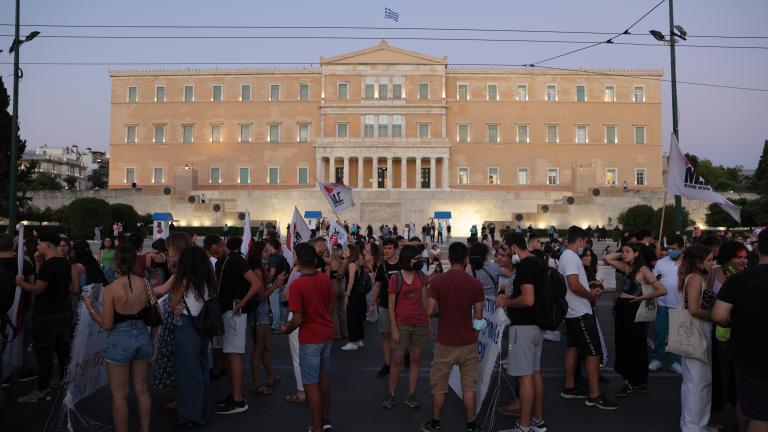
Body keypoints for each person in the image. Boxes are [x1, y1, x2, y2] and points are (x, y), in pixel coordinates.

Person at [82, 244, 152, 432]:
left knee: (119, 395)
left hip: (120, 339)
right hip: (142, 335)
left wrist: (90, 307)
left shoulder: (111, 289)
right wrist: (152, 338)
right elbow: (155, 313)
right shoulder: (145, 284)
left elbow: (106, 324)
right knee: (142, 389)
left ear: (116, 262)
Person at [422, 242, 484, 432]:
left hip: (445, 341)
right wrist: (476, 332)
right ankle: (471, 424)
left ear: (449, 258)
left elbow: (429, 311)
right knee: (469, 386)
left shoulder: (438, 281)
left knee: (439, 385)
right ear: (466, 259)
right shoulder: (475, 283)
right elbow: (479, 316)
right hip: (468, 342)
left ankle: (436, 423)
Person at [712, 229, 768, 432]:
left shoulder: (739, 279)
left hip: (749, 352)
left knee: (757, 412)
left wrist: (734, 322)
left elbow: (719, 315)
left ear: (757, 249)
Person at [558, 226, 617, 410]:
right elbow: (574, 285)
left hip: (572, 311)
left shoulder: (566, 256)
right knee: (593, 352)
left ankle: (569, 386)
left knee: (573, 347)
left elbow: (575, 283)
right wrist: (590, 296)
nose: (585, 247)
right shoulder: (571, 257)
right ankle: (594, 394)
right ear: (580, 240)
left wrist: (589, 284)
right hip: (579, 312)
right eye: (585, 243)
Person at [495, 234, 548, 432]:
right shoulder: (538, 262)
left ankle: (524, 426)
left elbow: (528, 299)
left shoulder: (525, 266)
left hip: (523, 327)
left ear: (514, 247)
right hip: (537, 326)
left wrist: (505, 301)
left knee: (524, 377)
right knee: (535, 373)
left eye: (506, 249)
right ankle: (538, 421)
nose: (505, 253)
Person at [281, 243, 335, 432]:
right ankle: (325, 420)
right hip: (326, 333)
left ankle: (318, 427)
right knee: (324, 377)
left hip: (310, 337)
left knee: (311, 384)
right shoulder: (324, 278)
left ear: (297, 258)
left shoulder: (297, 285)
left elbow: (297, 318)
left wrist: (286, 329)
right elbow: (331, 306)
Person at [603, 244, 667, 397]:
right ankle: (631, 381)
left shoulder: (643, 270)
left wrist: (644, 297)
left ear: (637, 253)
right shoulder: (627, 268)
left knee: (635, 345)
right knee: (623, 344)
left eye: (628, 251)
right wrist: (623, 254)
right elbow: (607, 258)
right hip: (622, 309)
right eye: (623, 251)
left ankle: (635, 381)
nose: (624, 254)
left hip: (634, 309)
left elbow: (662, 290)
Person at [15, 232, 72, 403]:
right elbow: (44, 280)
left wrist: (21, 283)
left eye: (39, 243)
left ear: (47, 245)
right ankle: (62, 379)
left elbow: (38, 288)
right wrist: (39, 263)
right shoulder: (63, 262)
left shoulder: (50, 265)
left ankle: (42, 390)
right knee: (61, 350)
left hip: (46, 315)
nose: (37, 247)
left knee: (44, 353)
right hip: (61, 312)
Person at [214, 236, 262, 415]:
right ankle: (234, 394)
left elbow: (256, 283)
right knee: (228, 354)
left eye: (216, 251)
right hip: (225, 312)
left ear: (222, 245)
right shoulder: (222, 262)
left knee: (233, 355)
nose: (215, 255)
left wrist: (243, 301)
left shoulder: (236, 260)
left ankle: (238, 399)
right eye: (212, 253)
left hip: (235, 313)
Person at [382, 245, 430, 410]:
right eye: (416, 258)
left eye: (420, 258)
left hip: (419, 323)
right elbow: (391, 306)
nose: (419, 261)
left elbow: (424, 299)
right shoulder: (396, 278)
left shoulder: (421, 276)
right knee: (397, 359)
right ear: (407, 259)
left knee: (416, 359)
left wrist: (427, 321)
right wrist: (394, 328)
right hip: (402, 323)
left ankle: (411, 394)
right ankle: (391, 394)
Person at [676, 244, 716, 432]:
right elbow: (693, 308)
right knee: (698, 382)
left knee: (695, 381)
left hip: (694, 332)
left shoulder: (693, 277)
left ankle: (694, 424)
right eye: (709, 260)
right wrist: (715, 316)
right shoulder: (695, 279)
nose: (712, 263)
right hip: (698, 331)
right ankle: (694, 427)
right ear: (699, 262)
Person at [710, 240, 749, 430]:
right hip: (717, 332)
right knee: (719, 375)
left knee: (738, 377)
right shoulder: (712, 273)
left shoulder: (748, 275)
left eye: (745, 257)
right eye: (738, 257)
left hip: (741, 333)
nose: (743, 261)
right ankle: (715, 414)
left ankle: (739, 416)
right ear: (727, 258)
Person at [247, 240, 285, 395]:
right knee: (259, 348)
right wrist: (275, 286)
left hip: (261, 311)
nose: (268, 254)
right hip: (259, 312)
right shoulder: (256, 270)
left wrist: (274, 281)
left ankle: (270, 378)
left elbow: (263, 284)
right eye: (265, 251)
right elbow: (262, 295)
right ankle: (257, 384)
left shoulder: (259, 269)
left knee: (266, 346)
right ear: (258, 254)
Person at [649, 235, 684, 374]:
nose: (670, 251)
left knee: (677, 336)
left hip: (681, 306)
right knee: (659, 333)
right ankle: (657, 359)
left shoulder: (689, 263)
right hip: (662, 304)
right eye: (668, 248)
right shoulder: (660, 263)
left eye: (673, 248)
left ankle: (676, 361)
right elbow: (654, 283)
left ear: (682, 248)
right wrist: (655, 301)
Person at [372, 238, 400, 377]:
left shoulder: (403, 264)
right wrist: (372, 303)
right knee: (385, 335)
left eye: (390, 248)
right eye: (385, 248)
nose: (387, 251)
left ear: (396, 249)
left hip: (401, 306)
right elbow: (377, 285)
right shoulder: (382, 267)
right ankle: (387, 363)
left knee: (403, 334)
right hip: (385, 304)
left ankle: (404, 354)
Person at [342, 244, 367, 351]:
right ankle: (358, 339)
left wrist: (347, 295)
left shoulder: (352, 264)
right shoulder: (356, 262)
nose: (344, 251)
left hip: (353, 293)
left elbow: (351, 281)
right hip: (358, 293)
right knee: (357, 317)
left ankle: (353, 341)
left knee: (352, 317)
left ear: (351, 252)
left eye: (346, 250)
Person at [329, 245, 347, 341]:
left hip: (334, 285)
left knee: (334, 311)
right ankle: (345, 332)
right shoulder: (344, 262)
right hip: (342, 285)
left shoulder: (331, 262)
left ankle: (337, 334)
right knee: (342, 310)